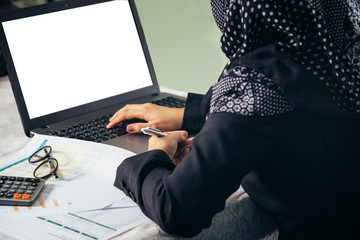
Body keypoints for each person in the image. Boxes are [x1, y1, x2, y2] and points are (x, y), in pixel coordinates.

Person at [107, 0, 360, 239]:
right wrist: (190, 113)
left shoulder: (253, 87)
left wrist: (150, 158)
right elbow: (293, 92)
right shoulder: (340, 52)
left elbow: (176, 209)